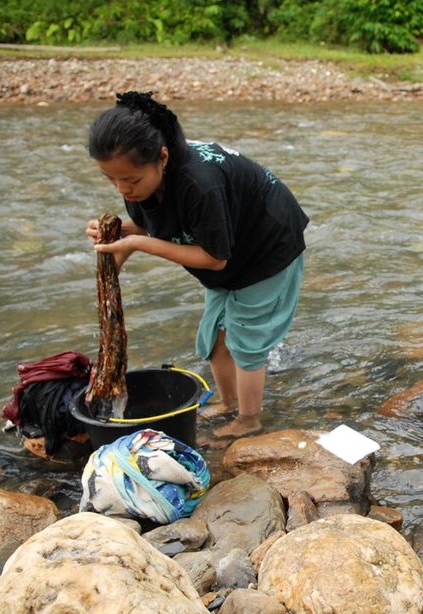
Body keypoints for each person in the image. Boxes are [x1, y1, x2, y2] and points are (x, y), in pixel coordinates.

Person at [85, 91, 308, 438]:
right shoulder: (143, 184)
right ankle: (229, 404)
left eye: (130, 180)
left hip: (267, 246)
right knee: (217, 336)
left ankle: (250, 421)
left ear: (162, 158)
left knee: (247, 341)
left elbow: (214, 258)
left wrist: (139, 243)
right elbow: (162, 227)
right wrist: (116, 239)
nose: (122, 189)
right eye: (110, 179)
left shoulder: (200, 185)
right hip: (227, 242)